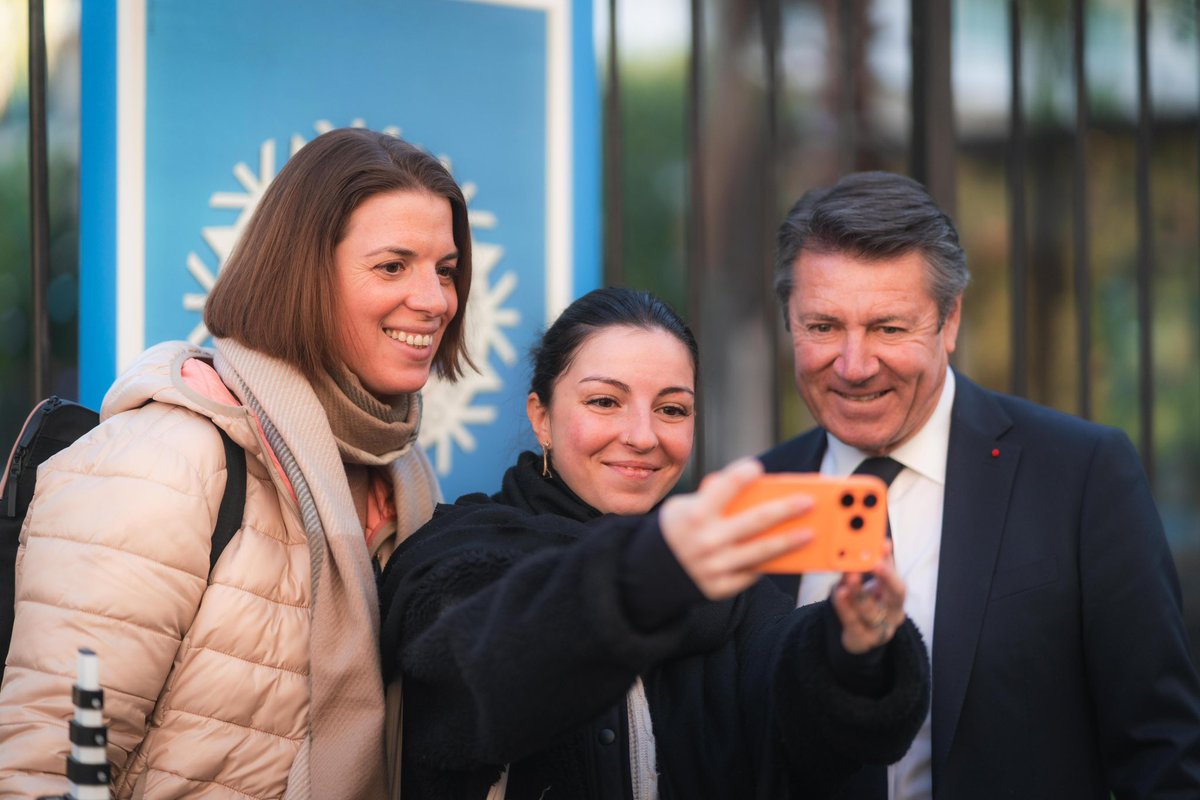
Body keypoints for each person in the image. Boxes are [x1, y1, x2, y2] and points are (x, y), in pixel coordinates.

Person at [0, 128, 472, 799]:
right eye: (393, 266)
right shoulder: (167, 459)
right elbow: (42, 768)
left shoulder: (404, 475)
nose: (435, 301)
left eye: (446, 269)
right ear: (304, 275)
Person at [378, 286, 931, 799]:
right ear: (541, 417)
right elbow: (483, 672)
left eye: (671, 410)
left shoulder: (719, 584)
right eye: (604, 402)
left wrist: (858, 647)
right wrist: (653, 574)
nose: (643, 436)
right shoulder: (461, 548)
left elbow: (798, 702)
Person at [761, 170, 1200, 799]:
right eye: (823, 327)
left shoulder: (1081, 477)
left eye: (888, 327)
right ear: (789, 324)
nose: (854, 366)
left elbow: (1160, 753)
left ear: (950, 321)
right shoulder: (759, 496)